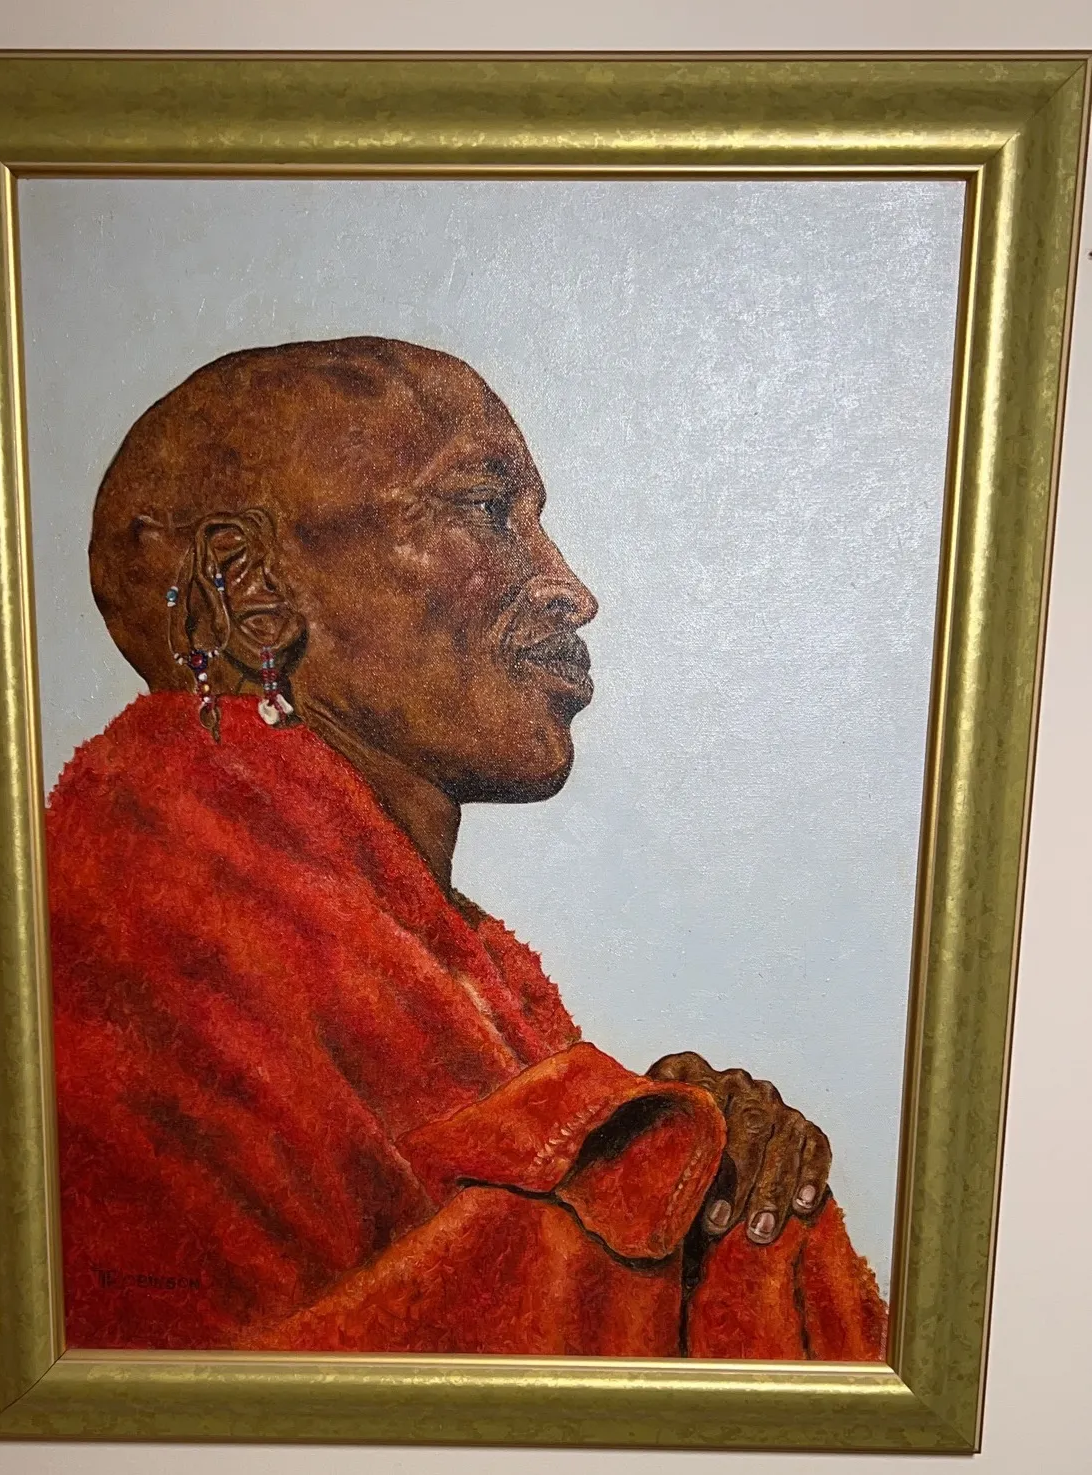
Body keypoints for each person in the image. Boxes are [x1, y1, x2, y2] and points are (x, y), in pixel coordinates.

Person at [49, 337, 886, 1357]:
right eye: (487, 509)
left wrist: (694, 1159)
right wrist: (652, 1158)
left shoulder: (430, 955)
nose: (570, 589)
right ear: (251, 589)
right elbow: (214, 1401)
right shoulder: (138, 939)